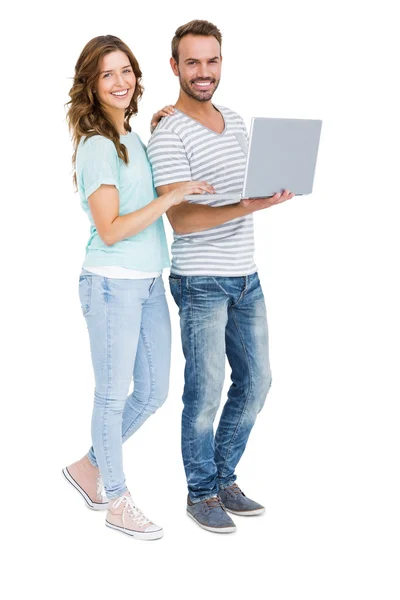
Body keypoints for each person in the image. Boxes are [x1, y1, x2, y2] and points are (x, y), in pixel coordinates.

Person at [62, 34, 213, 540]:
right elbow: (111, 228)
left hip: (148, 281)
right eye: (108, 74)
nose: (121, 81)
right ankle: (117, 500)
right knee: (113, 396)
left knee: (153, 391)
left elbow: (140, 195)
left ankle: (89, 467)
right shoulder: (98, 146)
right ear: (91, 84)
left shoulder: (128, 138)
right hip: (111, 283)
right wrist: (172, 197)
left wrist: (153, 134)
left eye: (126, 70)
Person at [147, 20, 294, 534]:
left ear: (221, 63)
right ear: (175, 67)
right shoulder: (168, 133)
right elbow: (182, 220)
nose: (203, 72)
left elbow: (246, 186)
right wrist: (249, 205)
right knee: (205, 391)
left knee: (257, 381)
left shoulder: (235, 120)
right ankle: (201, 491)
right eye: (192, 62)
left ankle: (224, 477)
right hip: (201, 281)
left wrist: (275, 186)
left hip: (245, 276)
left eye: (212, 61)